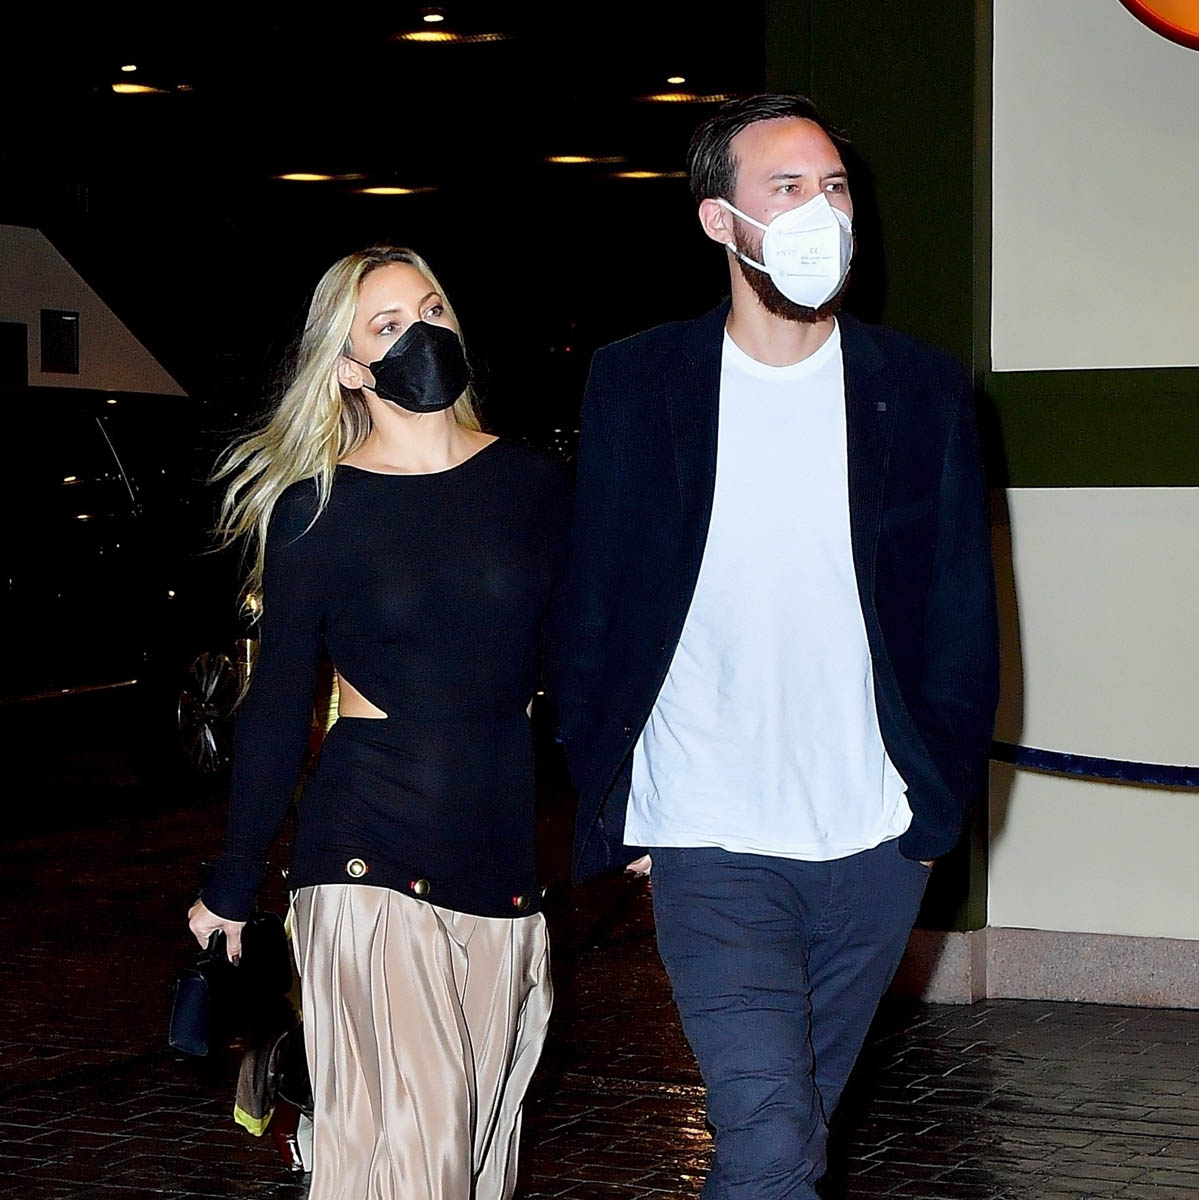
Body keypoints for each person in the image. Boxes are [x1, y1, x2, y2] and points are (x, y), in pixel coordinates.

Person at [547, 94, 1000, 1198]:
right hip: (708, 833)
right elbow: (592, 603)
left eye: (834, 188)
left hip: (872, 839)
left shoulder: (920, 390)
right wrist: (618, 796)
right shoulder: (638, 381)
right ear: (719, 220)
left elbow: (959, 619)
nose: (819, 212)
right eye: (786, 188)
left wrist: (929, 813)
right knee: (767, 1145)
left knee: (786, 1143)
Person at [187, 246, 566, 1199]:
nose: (419, 336)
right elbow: (279, 701)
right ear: (350, 367)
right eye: (387, 326)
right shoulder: (317, 509)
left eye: (430, 311)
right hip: (367, 854)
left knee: (474, 1162)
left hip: (502, 862)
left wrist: (632, 806)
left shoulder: (532, 486)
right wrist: (234, 876)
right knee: (416, 1161)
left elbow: (584, 666)